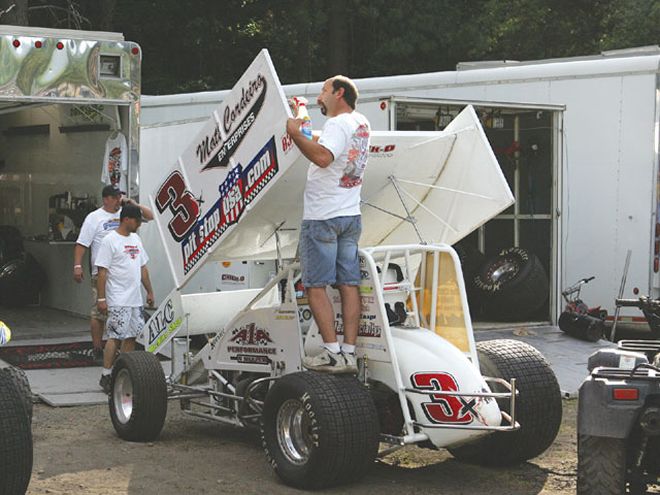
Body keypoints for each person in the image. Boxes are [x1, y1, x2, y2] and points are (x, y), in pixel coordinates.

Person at [286, 75, 370, 373]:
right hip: (349, 214)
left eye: (323, 91)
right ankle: (348, 351)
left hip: (323, 216)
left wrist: (295, 136)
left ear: (339, 93)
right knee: (349, 283)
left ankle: (331, 352)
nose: (320, 97)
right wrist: (302, 120)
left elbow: (322, 158)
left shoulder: (337, 124)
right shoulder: (361, 122)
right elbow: (329, 148)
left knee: (315, 285)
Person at [73, 185, 153, 358]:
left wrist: (133, 204)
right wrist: (77, 265)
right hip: (102, 270)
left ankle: (120, 352)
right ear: (106, 199)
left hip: (124, 271)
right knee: (99, 310)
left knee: (123, 317)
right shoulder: (94, 218)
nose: (119, 200)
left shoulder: (126, 215)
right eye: (115, 197)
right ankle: (97, 348)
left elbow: (150, 216)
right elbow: (82, 243)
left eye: (120, 197)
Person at [95, 204, 154, 393]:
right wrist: (102, 299)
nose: (139, 224)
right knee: (115, 335)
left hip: (134, 298)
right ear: (127, 219)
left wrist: (150, 291)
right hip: (118, 298)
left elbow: (142, 268)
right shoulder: (110, 240)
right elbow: (102, 272)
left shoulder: (136, 239)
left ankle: (123, 370)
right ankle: (106, 374)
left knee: (131, 335)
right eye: (137, 221)